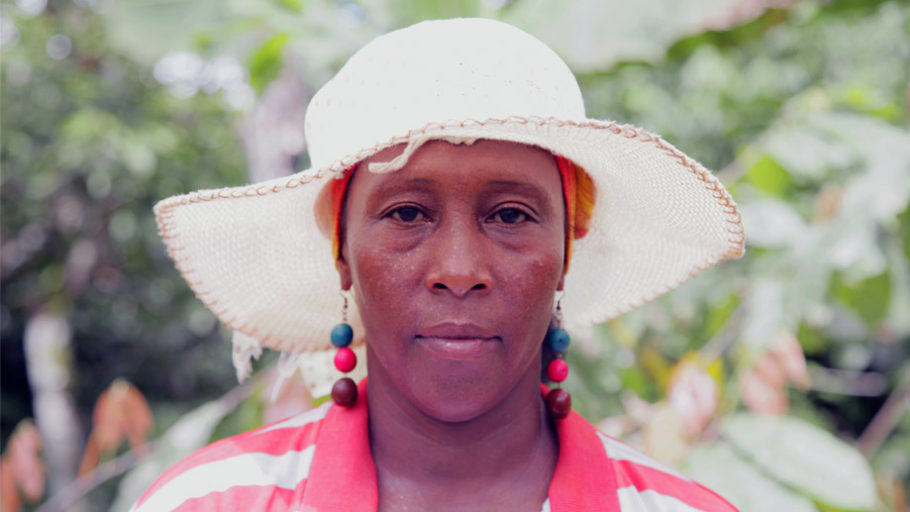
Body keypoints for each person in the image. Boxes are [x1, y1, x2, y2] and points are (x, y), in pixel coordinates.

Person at [133, 18, 744, 512]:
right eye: (406, 214)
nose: (458, 269)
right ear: (340, 250)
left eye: (509, 216)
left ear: (567, 248)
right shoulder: (211, 502)